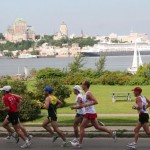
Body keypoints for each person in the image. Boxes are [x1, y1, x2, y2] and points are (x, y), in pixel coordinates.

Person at [71, 81, 117, 148]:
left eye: (82, 84)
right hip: (90, 112)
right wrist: (78, 105)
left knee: (81, 127)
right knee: (97, 127)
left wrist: (86, 104)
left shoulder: (88, 93)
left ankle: (79, 143)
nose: (81, 85)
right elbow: (84, 104)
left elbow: (96, 101)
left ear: (86, 85)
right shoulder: (85, 94)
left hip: (90, 113)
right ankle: (111, 133)